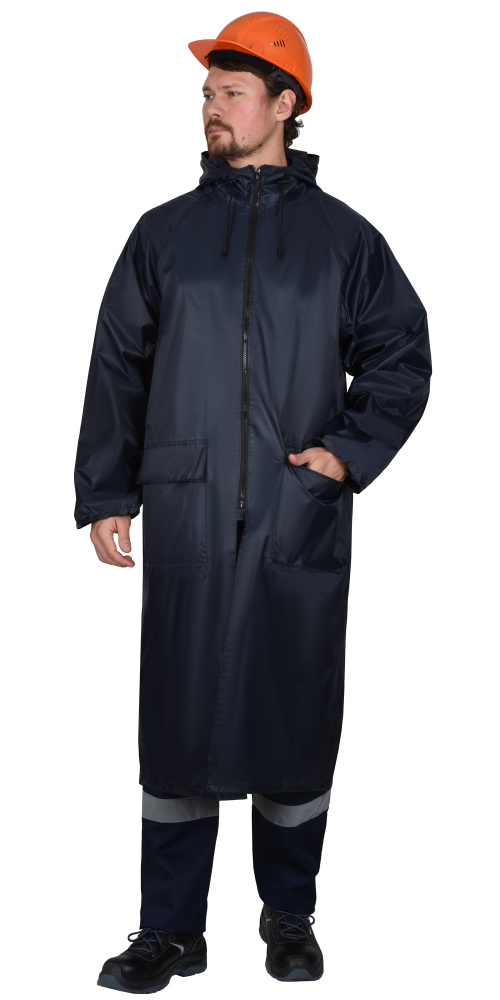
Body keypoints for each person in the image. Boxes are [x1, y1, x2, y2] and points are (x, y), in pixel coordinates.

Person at [74, 11, 432, 993]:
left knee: (292, 711)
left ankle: (289, 914)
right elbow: (119, 365)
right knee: (178, 720)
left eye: (230, 92)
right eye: (207, 93)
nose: (211, 107)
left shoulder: (343, 240)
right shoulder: (164, 235)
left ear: (284, 104)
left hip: (292, 514)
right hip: (186, 511)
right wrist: (107, 488)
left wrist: (343, 457)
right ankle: (168, 929)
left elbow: (400, 355)